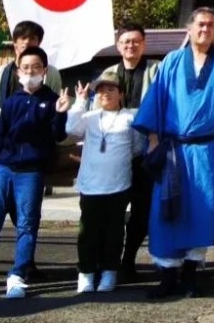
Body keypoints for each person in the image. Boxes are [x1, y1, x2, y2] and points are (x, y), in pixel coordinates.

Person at [133, 7, 214, 299]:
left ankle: (191, 275)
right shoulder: (172, 61)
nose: (205, 30)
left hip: (206, 150)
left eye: (210, 25)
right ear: (189, 29)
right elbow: (156, 101)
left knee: (201, 208)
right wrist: (155, 141)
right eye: (200, 25)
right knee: (166, 209)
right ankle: (167, 276)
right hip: (172, 149)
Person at [0, 47, 70, 301]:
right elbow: (1, 135)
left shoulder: (52, 99)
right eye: (25, 68)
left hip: (31, 171)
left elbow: (58, 136)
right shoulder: (10, 102)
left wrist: (62, 113)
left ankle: (18, 275)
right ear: (19, 71)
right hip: (5, 168)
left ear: (44, 70)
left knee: (27, 224)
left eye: (36, 67)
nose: (30, 72)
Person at [65, 70, 144, 294]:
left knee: (114, 231)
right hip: (90, 185)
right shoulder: (89, 117)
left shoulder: (131, 117)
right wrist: (80, 101)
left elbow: (137, 147)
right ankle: (86, 272)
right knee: (88, 232)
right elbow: (70, 129)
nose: (105, 94)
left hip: (118, 184)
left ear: (121, 93)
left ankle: (110, 271)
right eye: (100, 90)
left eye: (111, 89)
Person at [101, 22, 161, 280]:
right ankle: (108, 262)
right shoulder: (108, 74)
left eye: (136, 41)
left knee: (142, 209)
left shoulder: (156, 69)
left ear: (144, 43)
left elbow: (163, 104)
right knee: (112, 208)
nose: (131, 45)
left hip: (147, 147)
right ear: (118, 45)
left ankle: (129, 260)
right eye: (126, 41)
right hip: (115, 148)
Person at [0, 20, 63, 120]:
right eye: (23, 38)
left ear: (39, 43)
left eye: (32, 38)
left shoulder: (51, 74)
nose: (27, 42)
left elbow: (55, 109)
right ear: (15, 43)